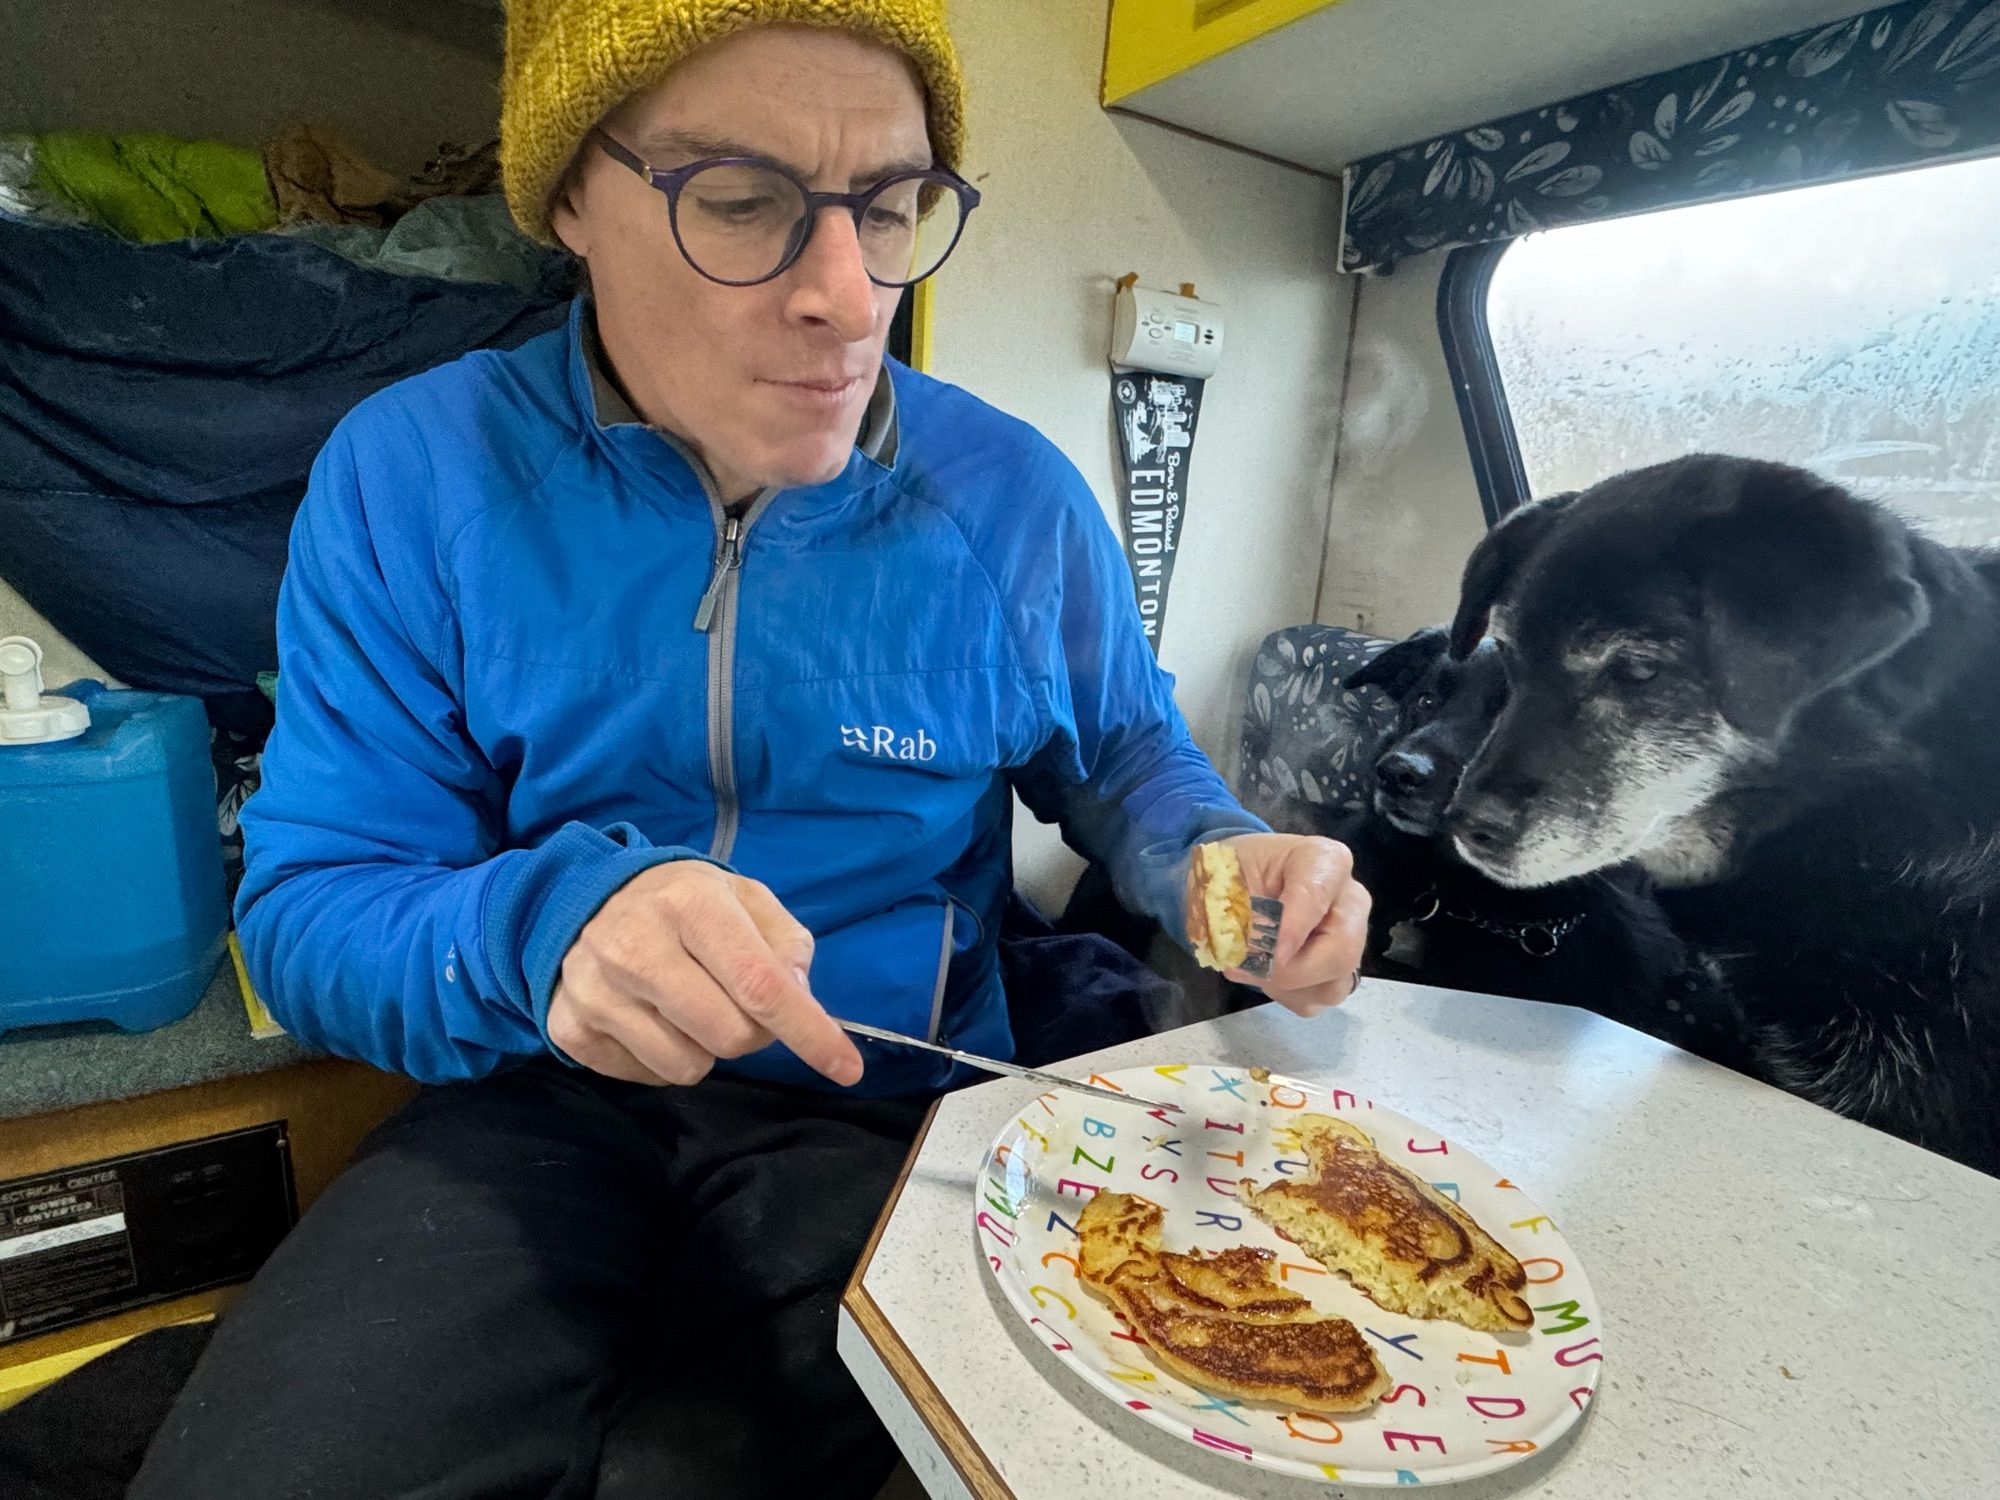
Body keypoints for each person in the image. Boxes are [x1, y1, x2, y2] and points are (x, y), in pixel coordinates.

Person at [132, 3, 1371, 1496]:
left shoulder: (1012, 502)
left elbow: (1124, 764)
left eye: (894, 205)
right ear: (571, 199)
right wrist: (545, 931)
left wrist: (1224, 858)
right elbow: (314, 907)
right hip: (538, 1095)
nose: (851, 302)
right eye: (743, 204)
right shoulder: (412, 474)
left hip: (885, 1116)